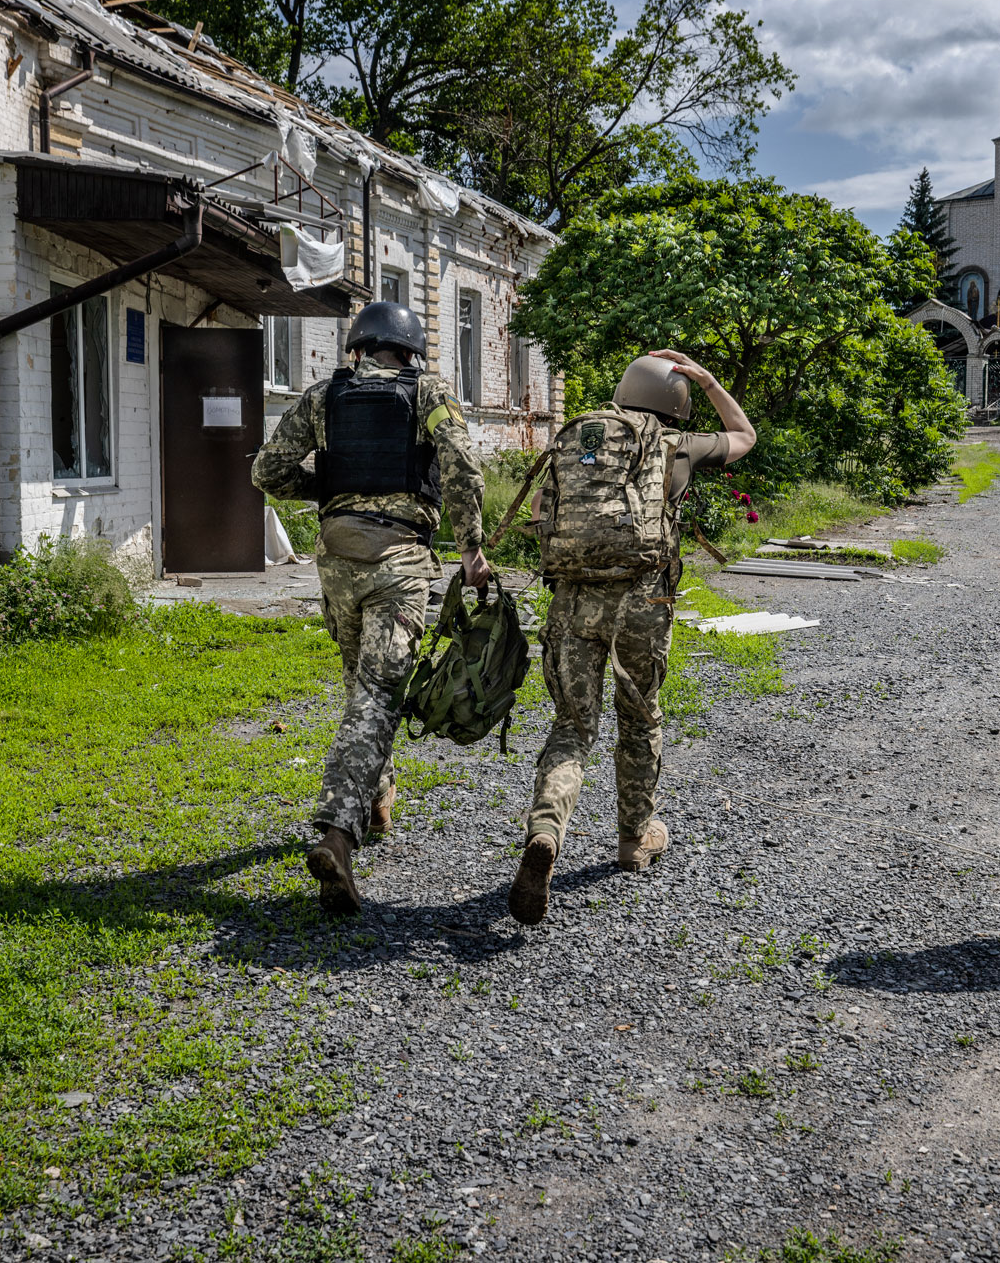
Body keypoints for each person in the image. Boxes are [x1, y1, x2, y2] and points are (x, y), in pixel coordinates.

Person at [252, 300, 492, 915]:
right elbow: (464, 465)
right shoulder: (428, 391)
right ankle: (337, 831)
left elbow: (268, 471)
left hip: (336, 558)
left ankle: (377, 796)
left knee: (362, 687)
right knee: (378, 697)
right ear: (410, 350)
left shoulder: (321, 396)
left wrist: (331, 492)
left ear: (359, 346)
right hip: (398, 561)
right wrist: (471, 550)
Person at [507, 349, 756, 926]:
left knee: (571, 725)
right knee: (640, 716)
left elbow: (542, 511)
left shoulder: (581, 439)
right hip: (644, 602)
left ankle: (546, 830)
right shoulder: (677, 445)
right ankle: (635, 836)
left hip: (572, 600)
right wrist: (712, 382)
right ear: (675, 401)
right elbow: (743, 436)